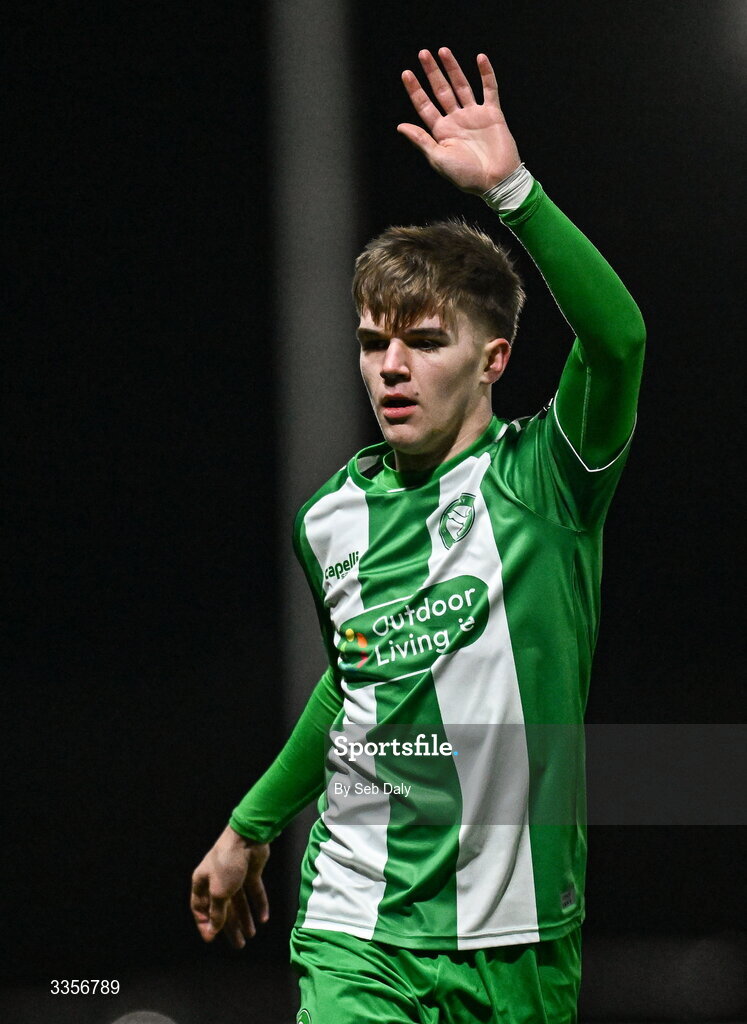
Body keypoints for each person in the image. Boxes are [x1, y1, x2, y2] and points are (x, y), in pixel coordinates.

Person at [190, 46, 645, 1023]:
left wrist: (512, 191)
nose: (390, 368)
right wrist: (250, 825)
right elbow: (360, 681)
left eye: (424, 340)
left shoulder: (547, 481)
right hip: (361, 928)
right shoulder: (333, 518)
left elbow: (620, 340)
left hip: (518, 942)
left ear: (494, 358)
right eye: (371, 342)